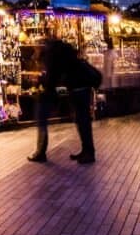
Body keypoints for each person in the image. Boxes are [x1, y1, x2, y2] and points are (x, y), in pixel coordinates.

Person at [27, 36, 97, 164]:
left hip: (78, 87)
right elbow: (57, 78)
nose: (34, 52)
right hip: (78, 86)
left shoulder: (51, 55)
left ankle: (88, 153)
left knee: (82, 120)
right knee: (81, 120)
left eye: (35, 49)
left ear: (40, 47)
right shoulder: (58, 50)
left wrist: (43, 85)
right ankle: (86, 150)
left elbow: (53, 78)